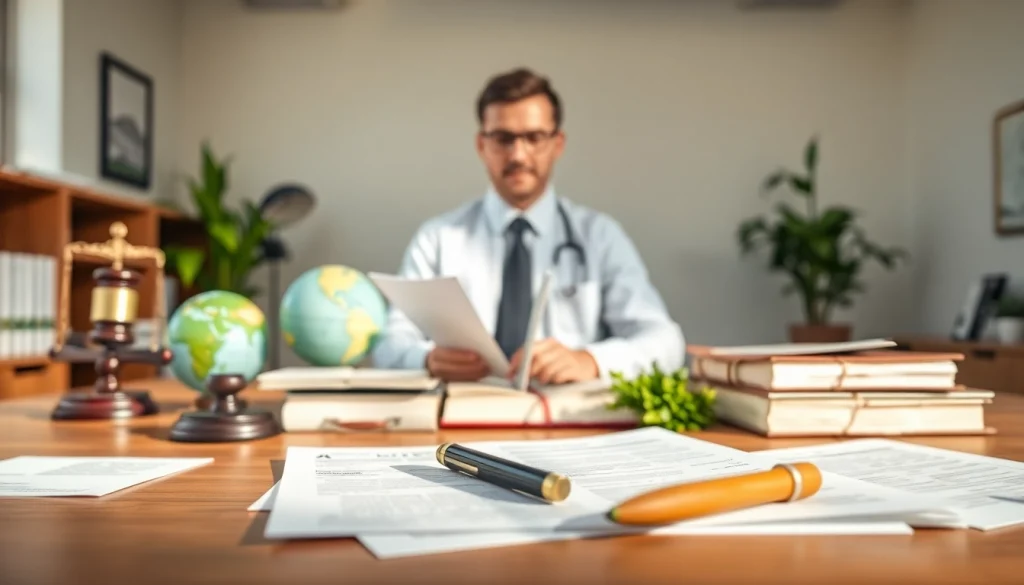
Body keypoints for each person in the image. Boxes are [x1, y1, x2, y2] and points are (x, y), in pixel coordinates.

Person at [371, 67, 684, 384]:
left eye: (534, 138)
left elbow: (666, 342)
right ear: (482, 145)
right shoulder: (438, 238)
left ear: (557, 144)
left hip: (565, 423)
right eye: (503, 139)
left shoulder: (600, 237)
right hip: (465, 419)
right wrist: (425, 358)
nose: (518, 155)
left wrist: (590, 360)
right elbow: (388, 345)